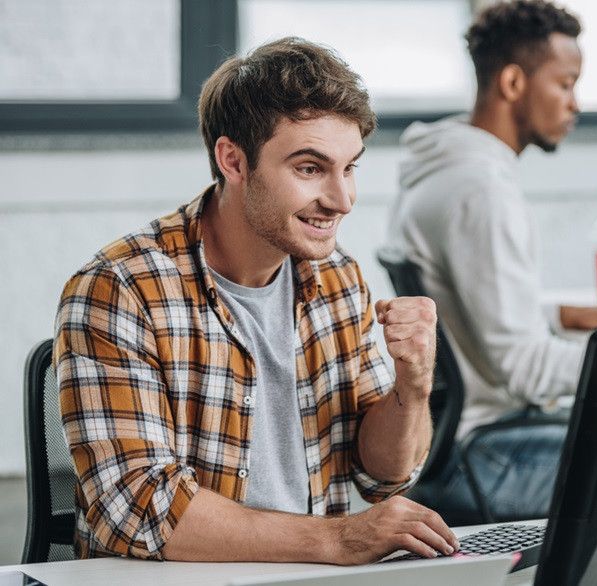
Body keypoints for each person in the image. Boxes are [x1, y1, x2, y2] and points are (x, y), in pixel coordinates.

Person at [54, 37, 459, 563]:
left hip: (312, 575)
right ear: (233, 161)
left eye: (350, 167)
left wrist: (414, 385)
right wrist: (338, 539)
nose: (342, 200)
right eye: (310, 169)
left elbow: (379, 474)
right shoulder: (121, 289)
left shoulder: (337, 278)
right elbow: (138, 510)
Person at [387, 0, 597, 521]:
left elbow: (468, 309)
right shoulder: (482, 192)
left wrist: (561, 317)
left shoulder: (439, 168)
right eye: (565, 83)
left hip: (455, 439)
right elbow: (525, 370)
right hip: (487, 453)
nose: (575, 103)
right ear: (514, 83)